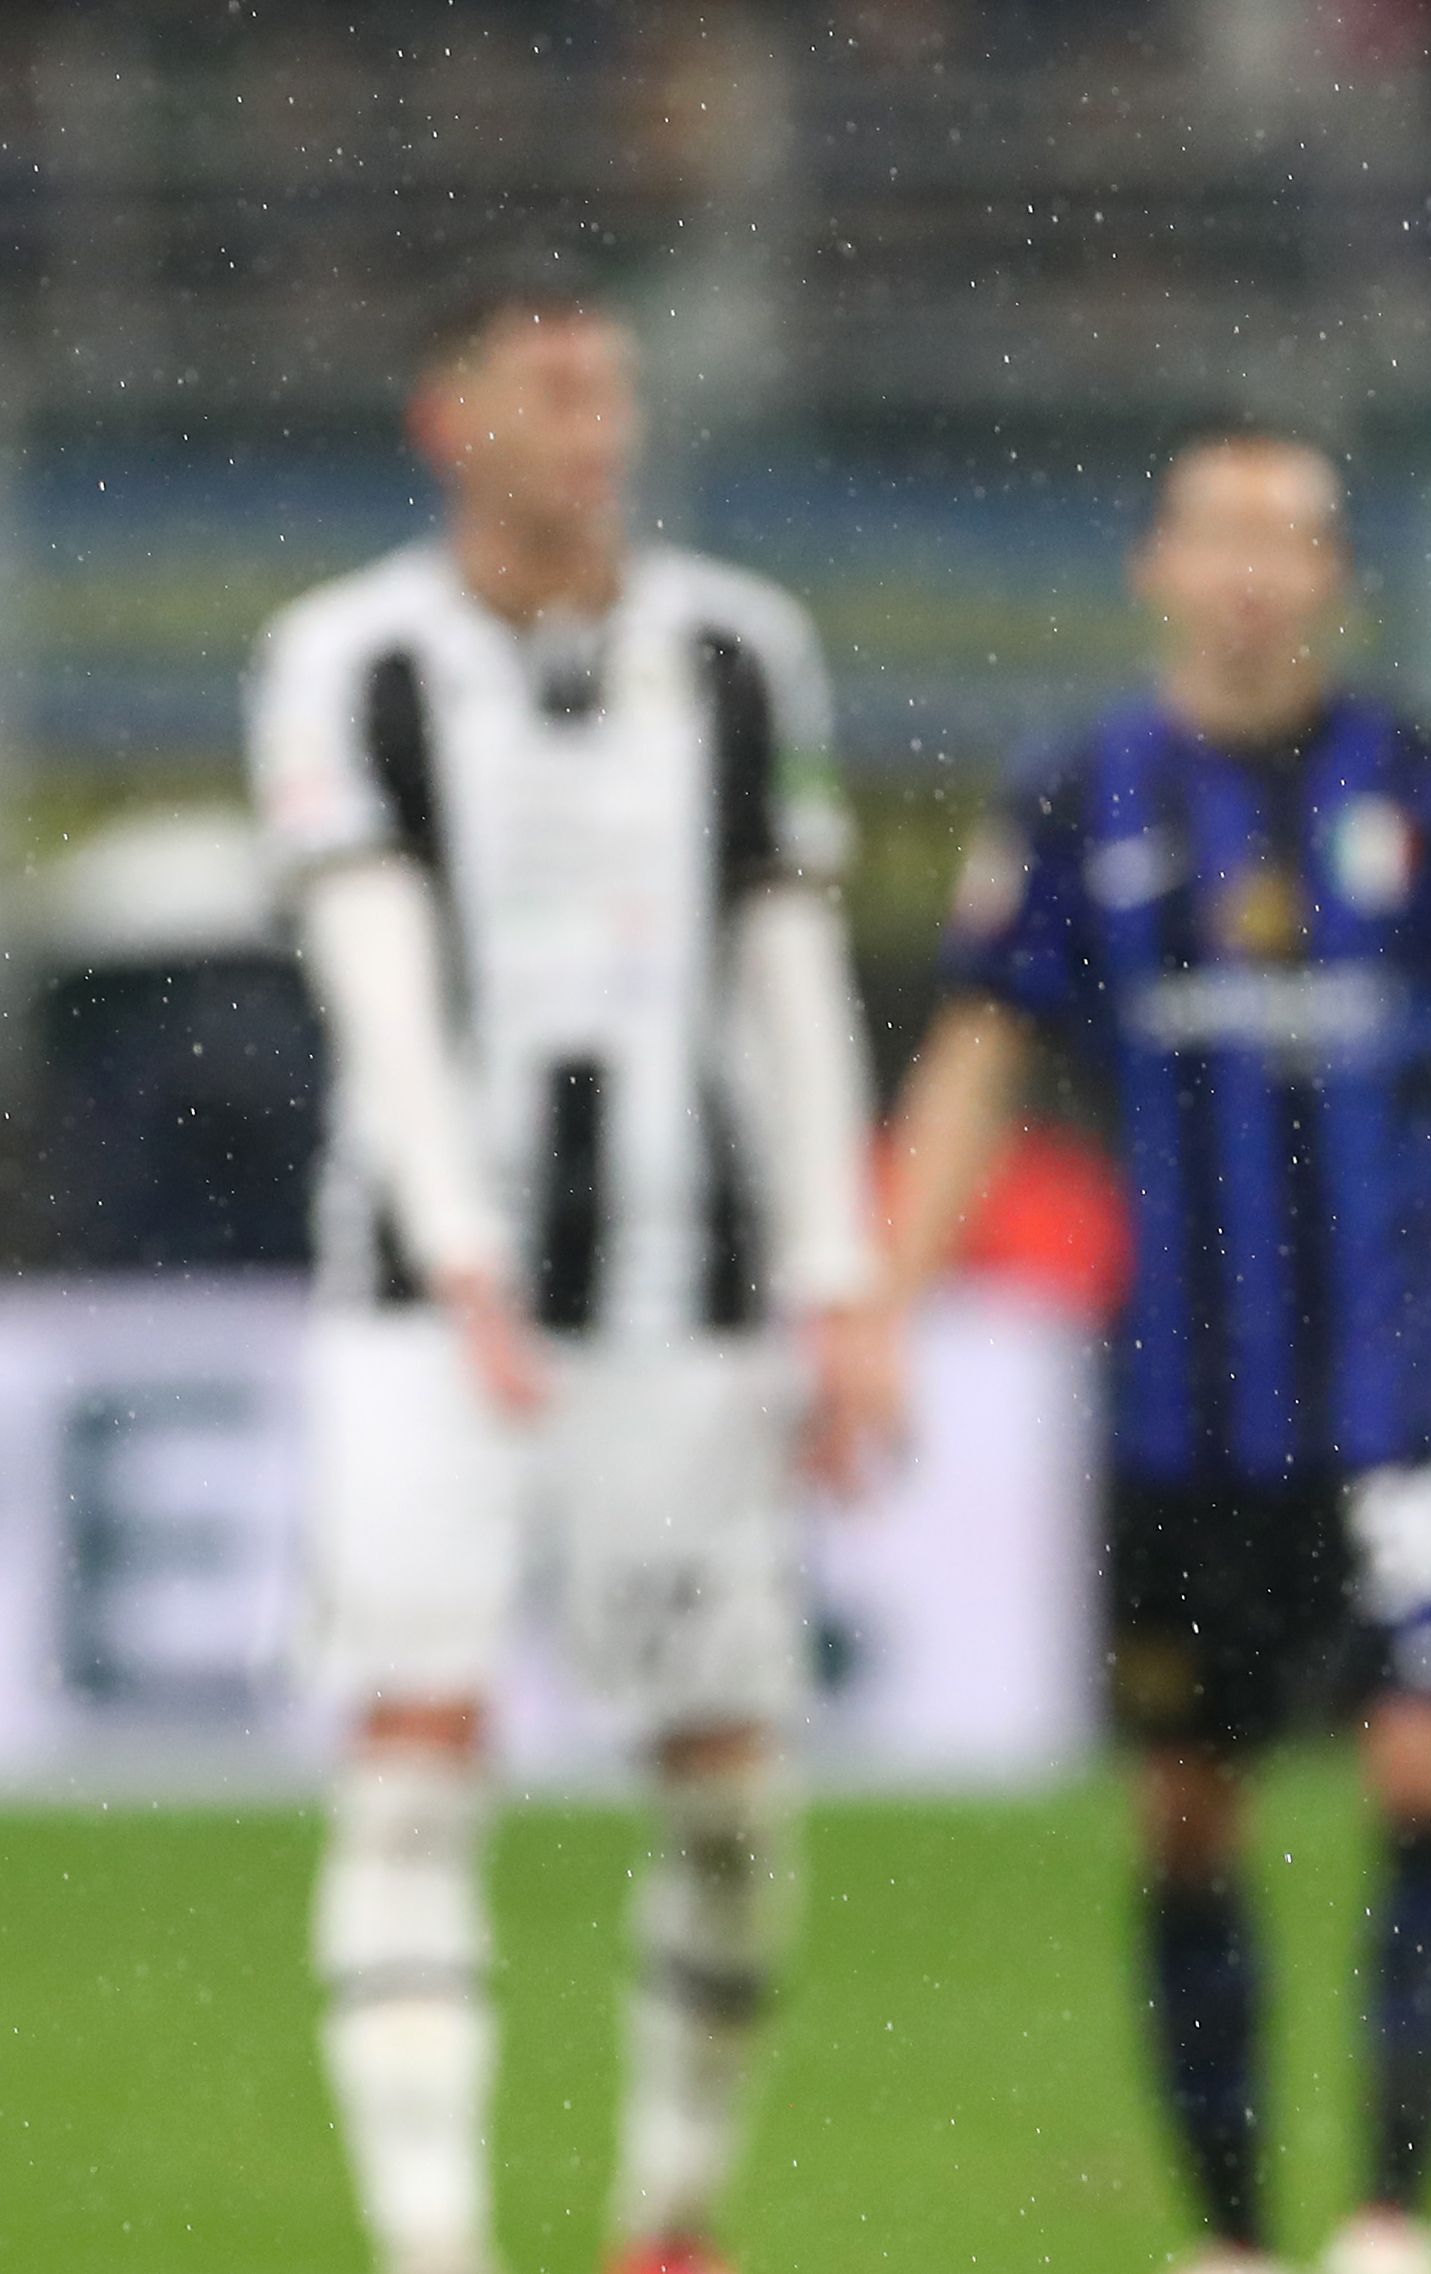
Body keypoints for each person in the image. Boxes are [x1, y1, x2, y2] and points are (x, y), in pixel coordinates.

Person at [870, 426, 1431, 2274]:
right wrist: (883, 1305)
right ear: (1157, 567)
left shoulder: (1423, 790)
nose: (1251, 571)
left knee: (1427, 1767)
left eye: (1288, 538)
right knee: (1186, 1808)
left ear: (1332, 577)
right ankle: (1231, 2237)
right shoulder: (1081, 796)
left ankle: (1388, 2216)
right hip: (1186, 1406)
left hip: (1409, 1387)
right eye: (1219, 535)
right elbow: (984, 1051)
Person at [247, 270, 887, 2274]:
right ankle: (435, 2245)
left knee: (729, 1800)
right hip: (419, 1314)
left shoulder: (741, 651)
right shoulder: (344, 659)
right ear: (452, 420)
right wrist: (459, 1250)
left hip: (685, 1302)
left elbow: (789, 975)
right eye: (547, 391)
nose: (592, 429)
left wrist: (842, 1275)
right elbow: (372, 981)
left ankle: (669, 2211)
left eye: (608, 390)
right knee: (413, 1768)